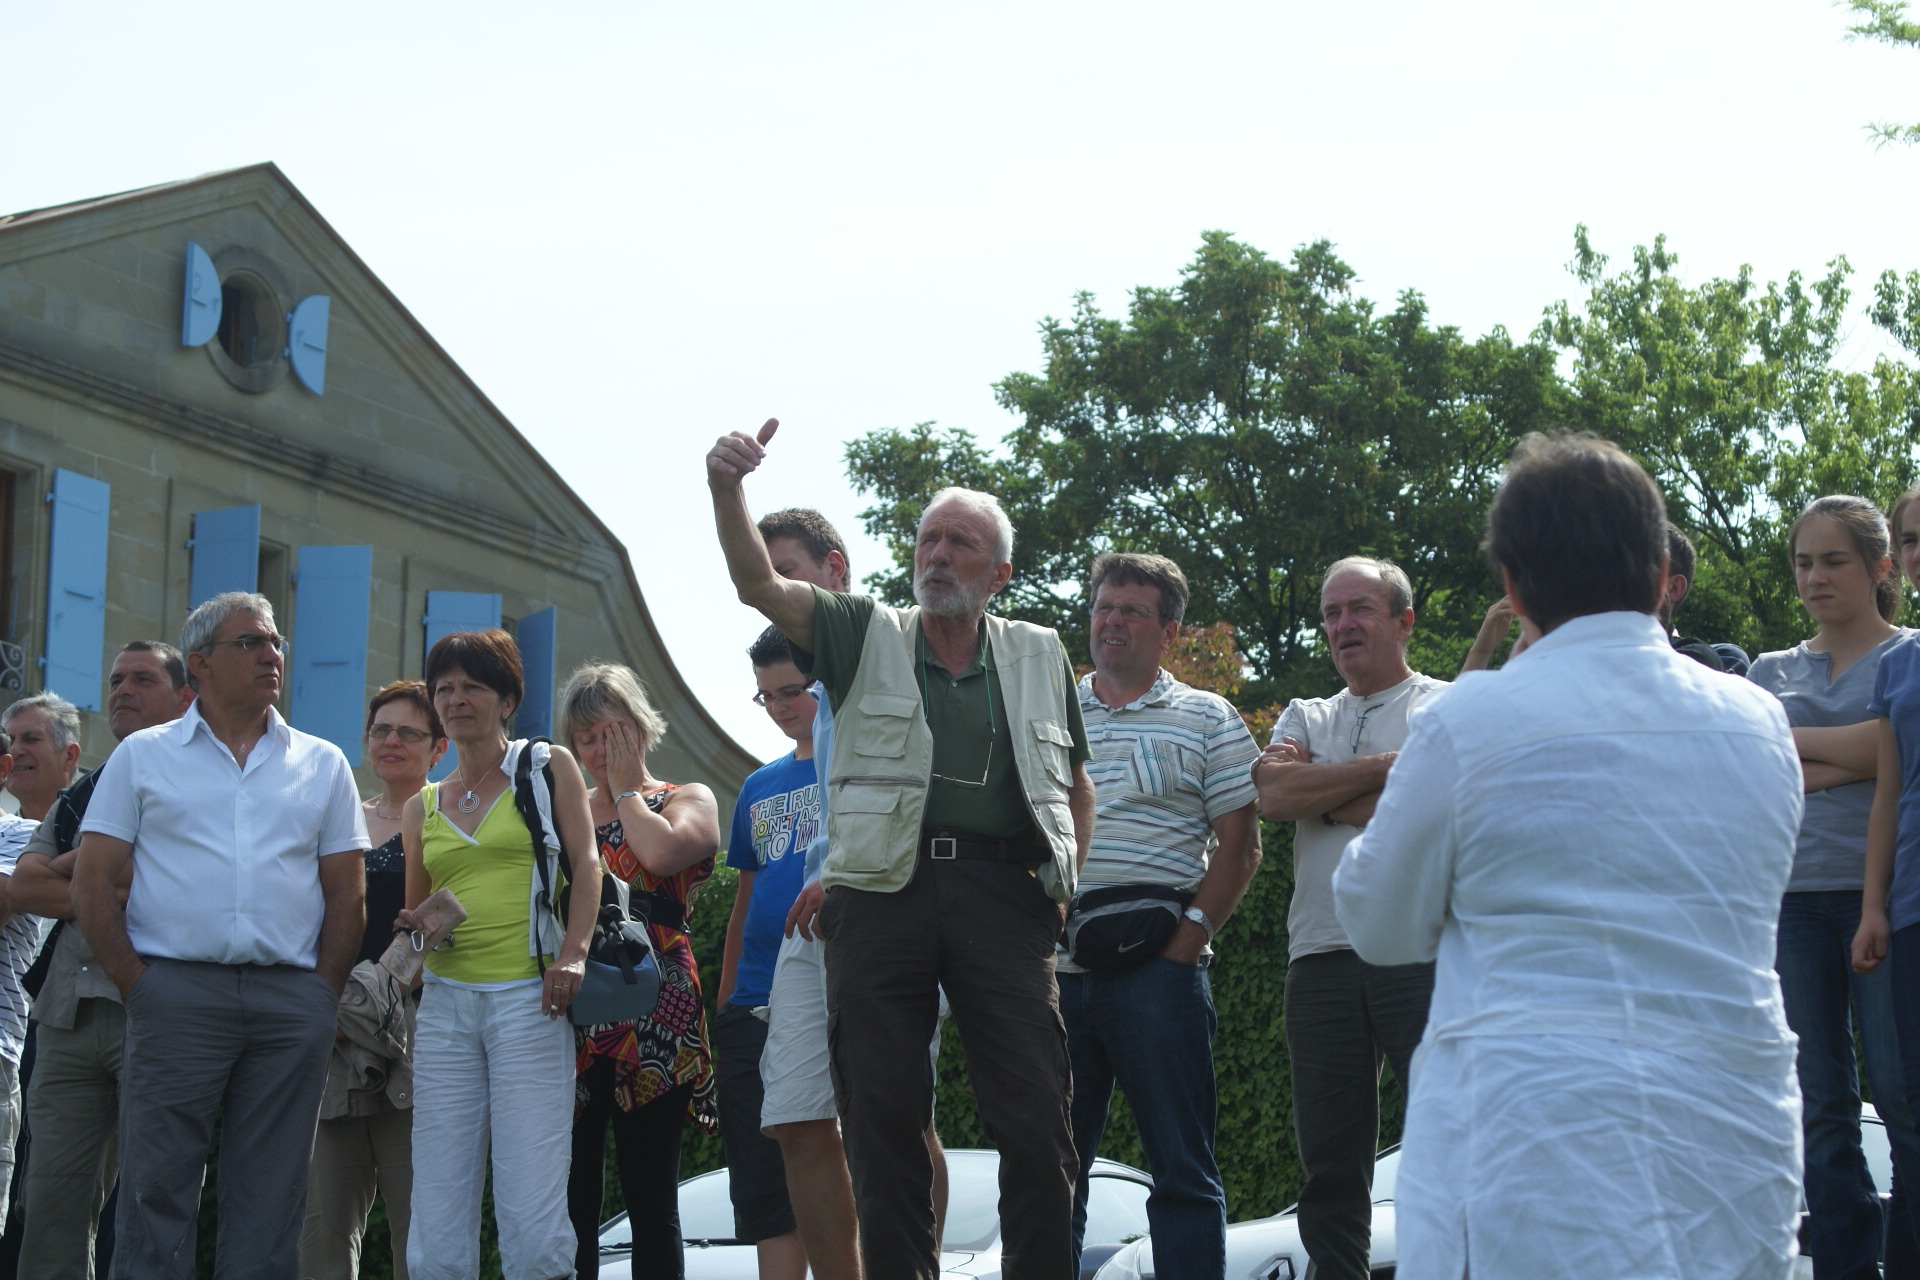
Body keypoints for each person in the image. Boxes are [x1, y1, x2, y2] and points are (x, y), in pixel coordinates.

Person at [1334, 432, 1804, 1277]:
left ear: (1512, 586)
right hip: (1731, 1146)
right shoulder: (1758, 721)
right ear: (1662, 572)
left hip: (1528, 1149)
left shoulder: (1467, 721)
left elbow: (1378, 923)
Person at [708, 420, 1094, 1280]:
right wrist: (727, 488)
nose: (939, 555)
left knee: (1038, 1119)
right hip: (880, 897)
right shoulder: (861, 630)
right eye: (929, 540)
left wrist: (1065, 881)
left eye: (962, 543)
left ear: (1000, 573)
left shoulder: (1040, 651)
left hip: (1005, 896)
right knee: (880, 1123)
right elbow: (757, 584)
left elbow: (1076, 784)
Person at [69, 592, 370, 1278]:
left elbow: (346, 893)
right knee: (154, 1192)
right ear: (199, 663)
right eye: (250, 643)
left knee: (273, 1201)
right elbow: (91, 882)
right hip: (174, 995)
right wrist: (138, 985)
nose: (271, 655)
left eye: (276, 643)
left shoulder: (323, 762)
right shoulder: (143, 756)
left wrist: (321, 995)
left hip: (290, 1001)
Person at [752, 508, 949, 1280]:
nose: (773, 592)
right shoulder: (817, 679)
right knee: (798, 1120)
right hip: (817, 917)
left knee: (896, 1117)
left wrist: (844, 872)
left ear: (835, 570)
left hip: (891, 905)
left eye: (786, 573)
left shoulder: (903, 646)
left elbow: (933, 786)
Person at [1063, 552, 1262, 1280]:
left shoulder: (1208, 716)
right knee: (1051, 1173)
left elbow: (1242, 847)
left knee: (1183, 1171)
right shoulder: (1049, 715)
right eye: (1103, 607)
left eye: (1132, 611)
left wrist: (1186, 943)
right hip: (1057, 975)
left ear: (1169, 632)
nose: (1111, 622)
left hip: (1161, 977)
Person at [1251, 556, 1445, 1280]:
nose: (1342, 625)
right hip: (1320, 957)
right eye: (1331, 614)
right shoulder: (1308, 714)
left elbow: (1434, 802)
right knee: (1330, 1164)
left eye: (1359, 608)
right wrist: (1389, 768)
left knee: (1445, 1142)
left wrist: (1323, 796)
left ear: (1404, 621)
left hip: (1421, 950)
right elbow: (1273, 796)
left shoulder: (1444, 706)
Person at [1751, 496, 1920, 1276]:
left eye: (1833, 561)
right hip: (1791, 902)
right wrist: (1856, 757)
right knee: (1818, 1105)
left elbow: (1896, 760)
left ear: (1881, 566)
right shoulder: (1769, 671)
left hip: (1888, 901)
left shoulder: (1909, 656)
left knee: (1901, 1094)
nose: (1814, 577)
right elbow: (1757, 771)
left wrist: (1796, 748)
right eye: (1802, 563)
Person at [401, 629, 601, 1280]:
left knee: (533, 1199)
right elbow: (417, 917)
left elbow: (588, 864)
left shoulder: (546, 768)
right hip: (445, 1007)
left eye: (473, 687)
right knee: (436, 1198)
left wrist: (573, 954)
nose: (456, 699)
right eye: (444, 688)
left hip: (529, 1000)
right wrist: (413, 930)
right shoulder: (421, 806)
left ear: (508, 700)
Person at [11, 642, 193, 1280]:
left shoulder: (204, 784)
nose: (121, 690)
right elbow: (22, 887)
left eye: (142, 679)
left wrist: (77, 868)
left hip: (156, 1010)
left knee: (151, 1205)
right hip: (65, 1015)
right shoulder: (85, 789)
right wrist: (101, 874)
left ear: (185, 698)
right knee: (48, 1204)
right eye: (116, 679)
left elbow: (181, 877)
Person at [558, 661, 719, 1280]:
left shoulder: (685, 798)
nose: (601, 751)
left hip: (656, 1008)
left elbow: (658, 852)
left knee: (651, 1197)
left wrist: (626, 791)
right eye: (588, 738)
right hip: (574, 1003)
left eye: (613, 734)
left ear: (642, 728)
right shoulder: (565, 813)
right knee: (570, 1196)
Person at [300, 681, 446, 1280]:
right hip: (332, 1042)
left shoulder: (451, 821)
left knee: (421, 1234)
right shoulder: (337, 823)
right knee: (322, 1232)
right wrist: (326, 1007)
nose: (391, 741)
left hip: (416, 1037)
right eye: (381, 730)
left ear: (438, 747)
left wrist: (369, 1002)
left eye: (409, 732)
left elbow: (444, 923)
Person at [716, 628, 819, 1280]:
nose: (780, 707)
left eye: (791, 691)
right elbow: (743, 903)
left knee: (832, 1157)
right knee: (761, 1185)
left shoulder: (854, 769)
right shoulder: (757, 786)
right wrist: (726, 1001)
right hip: (752, 1002)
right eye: (767, 696)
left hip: (830, 991)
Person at [1, 694, 81, 822]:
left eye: (31, 739)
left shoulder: (103, 824)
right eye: (9, 742)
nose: (14, 751)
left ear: (69, 756)